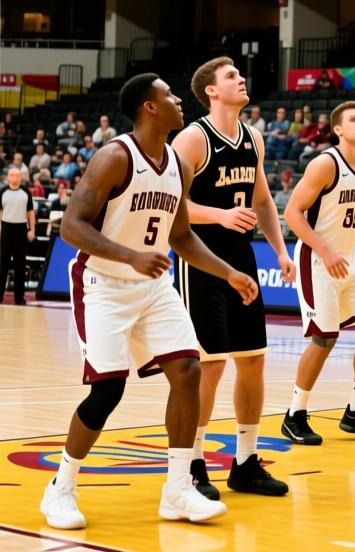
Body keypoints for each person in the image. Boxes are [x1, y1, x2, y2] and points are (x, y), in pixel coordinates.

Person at [41, 73, 258, 531]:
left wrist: (228, 271)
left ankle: (178, 490)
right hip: (102, 282)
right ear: (150, 107)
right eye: (169, 94)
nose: (179, 99)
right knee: (108, 390)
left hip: (152, 285)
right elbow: (71, 227)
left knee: (188, 371)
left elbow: (181, 236)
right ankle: (61, 489)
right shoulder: (114, 157)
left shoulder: (178, 166)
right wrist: (130, 256)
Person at [172, 57, 296, 500]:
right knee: (210, 365)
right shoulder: (193, 139)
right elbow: (173, 203)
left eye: (241, 75)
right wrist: (221, 215)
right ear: (211, 91)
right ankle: (193, 464)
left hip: (241, 257)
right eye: (231, 76)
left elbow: (263, 200)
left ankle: (245, 462)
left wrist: (281, 251)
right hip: (199, 258)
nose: (241, 79)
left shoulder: (254, 138)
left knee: (253, 359)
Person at [281, 101, 355, 448]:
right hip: (318, 258)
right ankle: (295, 415)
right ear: (338, 129)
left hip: (350, 258)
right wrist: (325, 249)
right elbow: (292, 213)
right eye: (353, 119)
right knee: (324, 338)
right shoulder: (324, 165)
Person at [1, 165, 35, 305]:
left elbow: (31, 212)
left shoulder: (26, 192)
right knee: (2, 264)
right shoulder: (2, 192)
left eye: (17, 175)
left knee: (20, 265)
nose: (14, 178)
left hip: (21, 229)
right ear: (8, 177)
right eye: (12, 175)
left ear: (21, 177)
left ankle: (19, 298)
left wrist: (32, 230)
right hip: (6, 228)